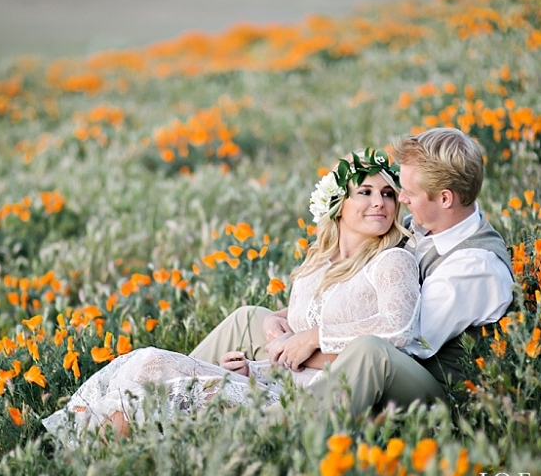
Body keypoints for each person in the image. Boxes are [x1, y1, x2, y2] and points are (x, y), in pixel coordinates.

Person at [43, 149, 421, 445]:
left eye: (388, 194)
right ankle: (86, 450)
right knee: (148, 363)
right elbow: (321, 315)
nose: (380, 202)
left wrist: (310, 338)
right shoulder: (319, 263)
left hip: (314, 397)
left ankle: (99, 459)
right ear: (337, 206)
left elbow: (396, 328)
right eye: (365, 192)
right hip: (278, 378)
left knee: (157, 374)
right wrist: (259, 353)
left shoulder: (392, 260)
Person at [190, 128, 513, 419]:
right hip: (373, 357)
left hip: (435, 392)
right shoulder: (423, 225)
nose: (399, 199)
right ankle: (171, 392)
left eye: (408, 193)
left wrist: (305, 342)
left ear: (445, 198)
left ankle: (270, 428)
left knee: (370, 353)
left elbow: (404, 340)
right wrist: (282, 319)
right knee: (249, 319)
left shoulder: (473, 267)